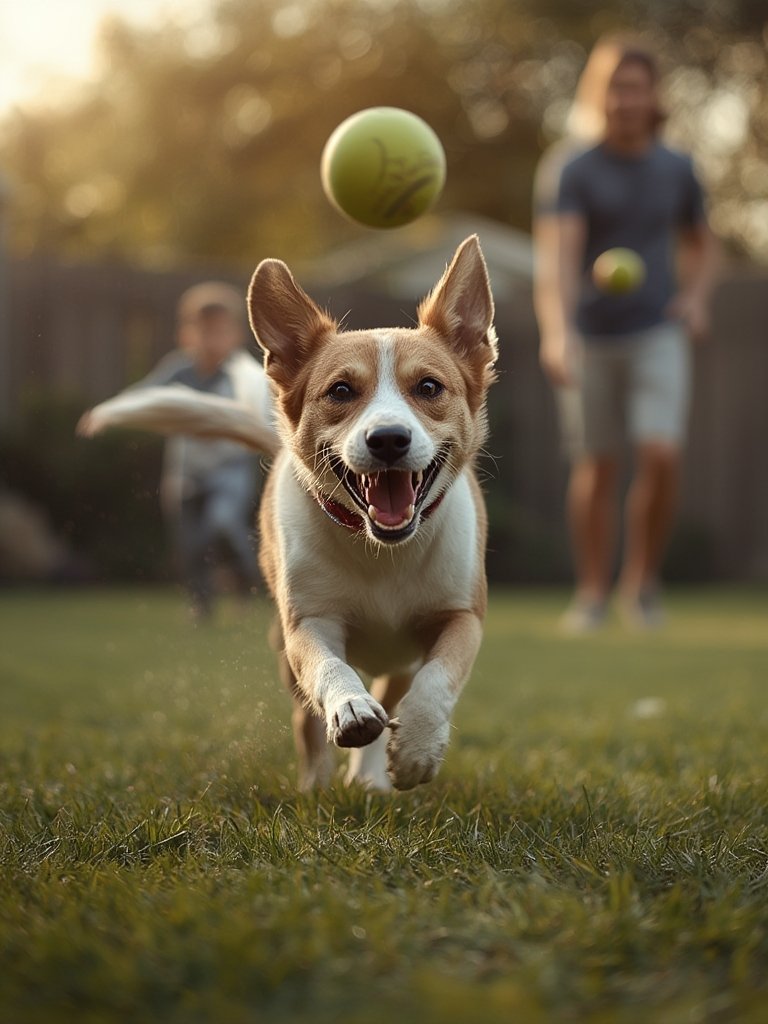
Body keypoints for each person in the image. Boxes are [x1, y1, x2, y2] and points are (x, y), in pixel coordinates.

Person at [533, 34, 718, 631]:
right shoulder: (572, 168)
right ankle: (591, 593)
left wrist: (694, 299)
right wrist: (557, 332)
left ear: (653, 96)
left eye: (635, 87)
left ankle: (641, 584)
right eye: (614, 87)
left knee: (661, 452)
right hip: (590, 335)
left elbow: (702, 243)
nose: (624, 99)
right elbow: (557, 261)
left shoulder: (678, 168)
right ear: (599, 95)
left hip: (656, 330)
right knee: (598, 464)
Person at [133, 282, 264, 622]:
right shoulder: (179, 370)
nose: (211, 340)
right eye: (203, 331)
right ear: (186, 335)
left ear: (236, 335)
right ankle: (201, 604)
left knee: (222, 524)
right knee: (189, 544)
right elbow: (146, 397)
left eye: (220, 332)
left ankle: (245, 582)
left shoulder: (244, 373)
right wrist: (115, 411)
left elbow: (267, 410)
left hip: (229, 468)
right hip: (185, 470)